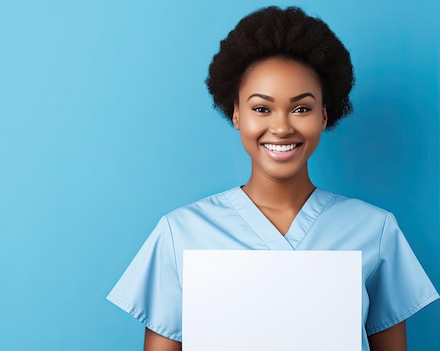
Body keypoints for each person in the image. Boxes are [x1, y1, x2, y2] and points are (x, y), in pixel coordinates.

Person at [106, 6, 439, 351]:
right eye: (262, 108)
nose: (281, 127)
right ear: (236, 114)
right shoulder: (180, 234)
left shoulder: (376, 231)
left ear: (324, 116)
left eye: (301, 108)